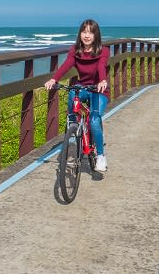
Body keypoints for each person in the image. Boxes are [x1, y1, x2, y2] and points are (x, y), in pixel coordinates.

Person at [44, 19, 110, 172]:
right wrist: (54, 79)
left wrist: (102, 80)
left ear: (96, 35)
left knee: (94, 120)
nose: (87, 35)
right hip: (83, 86)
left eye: (90, 32)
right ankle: (73, 124)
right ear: (80, 33)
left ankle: (100, 155)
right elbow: (67, 64)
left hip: (98, 89)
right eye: (84, 31)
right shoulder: (75, 50)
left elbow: (101, 66)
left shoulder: (103, 50)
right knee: (73, 92)